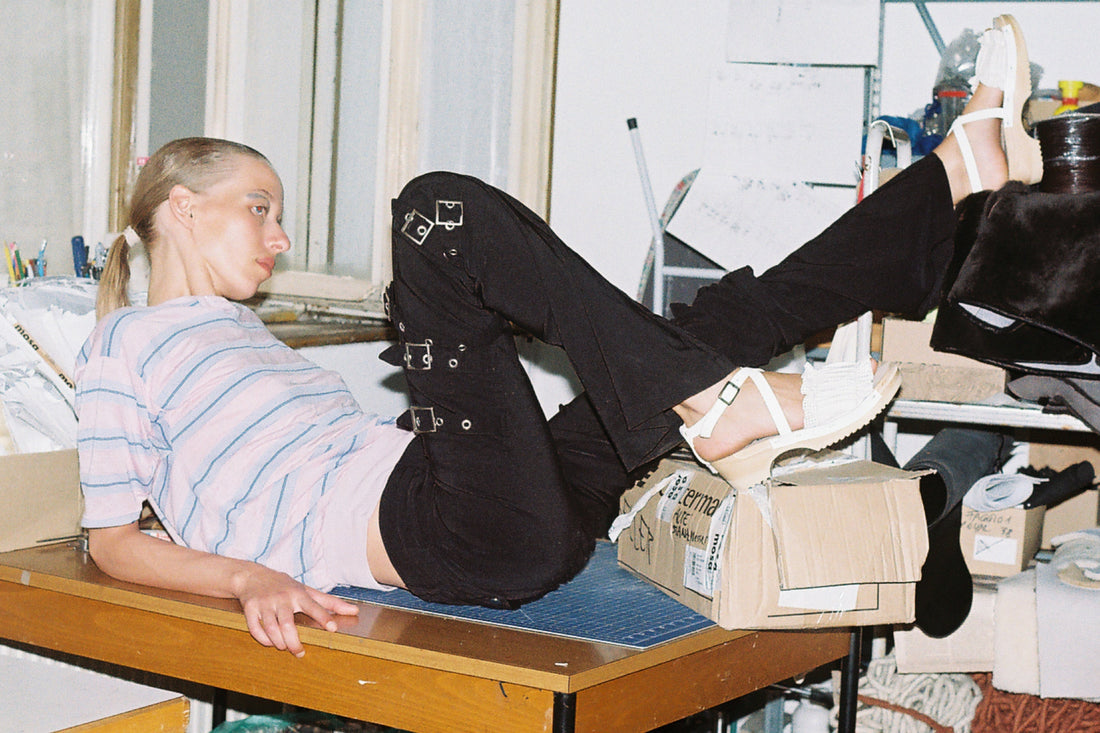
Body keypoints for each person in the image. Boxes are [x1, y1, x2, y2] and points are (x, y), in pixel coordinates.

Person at [76, 15, 1036, 657]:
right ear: (182, 207)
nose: (281, 237)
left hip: (505, 504)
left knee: (707, 326)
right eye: (261, 206)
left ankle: (956, 172)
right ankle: (712, 399)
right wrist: (245, 576)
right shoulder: (125, 346)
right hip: (452, 530)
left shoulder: (240, 335)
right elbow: (111, 540)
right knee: (433, 216)